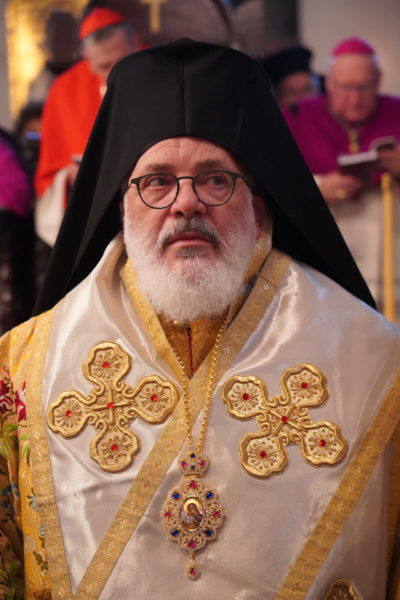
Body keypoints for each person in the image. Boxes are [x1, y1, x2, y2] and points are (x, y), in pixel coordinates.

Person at [0, 39, 399, 599]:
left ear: (258, 204)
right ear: (122, 204)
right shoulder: (22, 367)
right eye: (157, 181)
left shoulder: (377, 362)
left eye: (215, 179)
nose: (186, 203)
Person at [283, 37, 400, 318]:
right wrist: (319, 188)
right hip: (326, 270)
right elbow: (278, 183)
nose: (355, 99)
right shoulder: (297, 118)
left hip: (392, 262)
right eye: (346, 88)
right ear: (329, 84)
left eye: (364, 87)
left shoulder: (396, 112)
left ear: (378, 81)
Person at [34, 6, 138, 247]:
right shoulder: (63, 91)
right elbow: (50, 172)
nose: (114, 74)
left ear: (133, 44)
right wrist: (69, 175)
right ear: (87, 59)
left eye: (122, 62)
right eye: (104, 65)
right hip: (92, 210)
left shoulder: (158, 73)